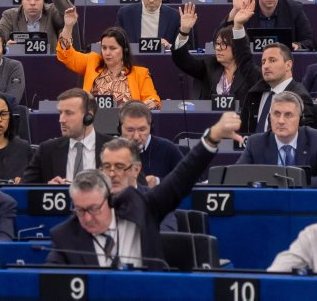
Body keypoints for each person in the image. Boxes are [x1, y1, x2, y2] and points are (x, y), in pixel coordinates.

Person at [45, 110, 237, 267]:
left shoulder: (143, 206)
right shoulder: (66, 236)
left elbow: (181, 177)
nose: (112, 173)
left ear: (136, 169)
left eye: (120, 167)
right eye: (107, 167)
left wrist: (212, 137)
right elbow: (49, 283)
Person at [230, 0, 314, 133]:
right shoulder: (261, 84)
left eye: (272, 60)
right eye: (263, 62)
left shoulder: (299, 97)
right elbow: (244, 60)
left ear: (288, 65)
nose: (266, 66)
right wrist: (238, 26)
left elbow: (304, 137)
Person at [58, 9, 161, 110]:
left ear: (124, 49)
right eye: (104, 48)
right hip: (93, 119)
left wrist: (145, 105)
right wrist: (68, 27)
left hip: (126, 120)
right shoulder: (92, 61)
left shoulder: (141, 74)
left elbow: (154, 100)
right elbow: (66, 55)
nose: (107, 53)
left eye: (113, 48)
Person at [21, 89, 111, 184]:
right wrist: (47, 188)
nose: (61, 120)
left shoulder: (113, 148)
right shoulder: (46, 150)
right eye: (60, 113)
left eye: (69, 113)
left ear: (88, 117)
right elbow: (24, 188)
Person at [172, 4, 258, 101]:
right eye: (217, 44)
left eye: (223, 44)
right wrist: (184, 31)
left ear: (236, 47)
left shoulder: (249, 72)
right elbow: (182, 60)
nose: (218, 48)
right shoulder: (209, 66)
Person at [236, 91, 317, 177]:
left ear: (300, 119)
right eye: (277, 114)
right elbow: (237, 177)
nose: (281, 121)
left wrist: (295, 182)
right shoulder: (256, 143)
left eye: (288, 115)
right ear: (270, 117)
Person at [227, 0, 316, 51]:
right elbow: (224, 41)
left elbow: (310, 41)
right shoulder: (246, 8)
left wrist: (298, 45)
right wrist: (235, 10)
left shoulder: (294, 9)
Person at [0, 0, 74, 52]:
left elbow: (69, 14)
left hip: (50, 59)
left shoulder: (51, 11)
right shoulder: (10, 16)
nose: (32, 3)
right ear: (21, 0)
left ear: (44, 0)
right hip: (18, 60)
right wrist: (6, 48)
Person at [118, 102, 182, 186]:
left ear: (151, 128)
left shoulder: (168, 149)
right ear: (119, 129)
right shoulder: (109, 151)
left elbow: (188, 181)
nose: (136, 137)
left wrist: (158, 182)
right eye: (130, 130)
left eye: (142, 130)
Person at [115, 0, 181, 47]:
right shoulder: (125, 13)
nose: (151, 0)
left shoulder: (174, 16)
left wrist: (168, 46)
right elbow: (116, 43)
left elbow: (181, 49)